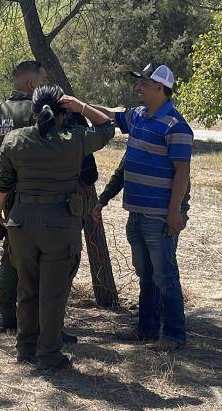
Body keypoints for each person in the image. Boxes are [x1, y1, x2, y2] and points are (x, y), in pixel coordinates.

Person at [0, 84, 114, 370]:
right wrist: (81, 106)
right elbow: (107, 127)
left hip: (20, 223)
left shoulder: (13, 141)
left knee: (27, 288)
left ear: (33, 111)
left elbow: (2, 185)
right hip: (60, 224)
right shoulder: (75, 140)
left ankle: (25, 348)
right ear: (63, 111)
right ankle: (49, 354)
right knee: (53, 294)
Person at [91, 64, 193, 351]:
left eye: (144, 84)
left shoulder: (176, 126)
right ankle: (146, 329)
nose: (138, 88)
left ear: (160, 88)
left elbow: (182, 174)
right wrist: (79, 106)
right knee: (146, 274)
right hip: (136, 213)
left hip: (158, 217)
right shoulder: (138, 117)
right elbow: (109, 116)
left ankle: (173, 335)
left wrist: (175, 211)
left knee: (165, 276)